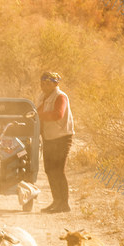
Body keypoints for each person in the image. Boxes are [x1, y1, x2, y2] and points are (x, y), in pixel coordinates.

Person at [36, 72, 75, 213]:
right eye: (42, 83)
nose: (44, 86)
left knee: (58, 171)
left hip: (62, 137)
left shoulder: (60, 97)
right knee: (49, 170)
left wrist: (37, 115)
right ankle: (56, 201)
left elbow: (58, 114)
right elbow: (37, 112)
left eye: (47, 83)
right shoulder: (42, 97)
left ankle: (64, 203)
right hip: (49, 137)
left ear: (55, 84)